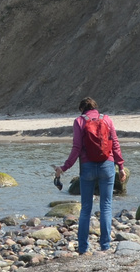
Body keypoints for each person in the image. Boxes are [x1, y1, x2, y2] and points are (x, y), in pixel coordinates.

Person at [53, 97, 127, 253]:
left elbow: (77, 148)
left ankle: (83, 248)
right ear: (96, 108)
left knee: (86, 209)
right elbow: (115, 144)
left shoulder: (79, 121)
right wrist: (120, 166)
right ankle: (105, 246)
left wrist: (64, 167)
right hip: (107, 165)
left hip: (87, 167)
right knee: (106, 207)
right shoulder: (106, 119)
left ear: (82, 109)